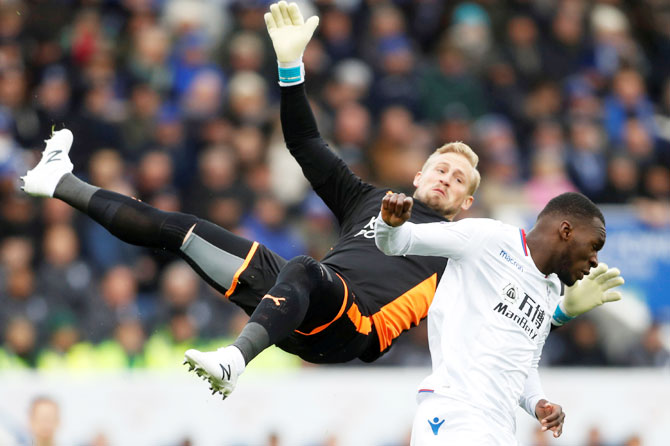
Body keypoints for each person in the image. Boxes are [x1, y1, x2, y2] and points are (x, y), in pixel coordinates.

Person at [21, 1, 614, 436]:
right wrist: (289, 71)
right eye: (439, 167)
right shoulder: (368, 199)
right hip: (300, 303)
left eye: (458, 181)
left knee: (304, 266)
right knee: (181, 230)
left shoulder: (465, 247)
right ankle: (61, 181)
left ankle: (233, 360)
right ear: (417, 174)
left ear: (464, 203)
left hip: (347, 329)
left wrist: (560, 310)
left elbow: (509, 315)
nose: (445, 178)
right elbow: (307, 145)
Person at [375, 191, 625, 444]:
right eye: (594, 246)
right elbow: (396, 242)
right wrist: (390, 223)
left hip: (500, 425)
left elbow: (524, 363)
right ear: (566, 230)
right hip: (455, 410)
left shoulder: (550, 289)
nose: (595, 260)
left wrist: (537, 402)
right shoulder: (488, 238)